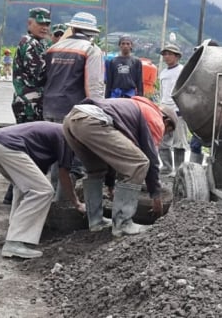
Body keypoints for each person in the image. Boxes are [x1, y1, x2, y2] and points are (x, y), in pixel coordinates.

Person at [62, 97, 170, 237]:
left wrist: (110, 184)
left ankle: (95, 221)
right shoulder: (156, 119)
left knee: (96, 170)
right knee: (139, 163)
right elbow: (151, 159)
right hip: (92, 121)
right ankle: (123, 224)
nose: (164, 134)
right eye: (168, 130)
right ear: (166, 121)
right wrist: (156, 195)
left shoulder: (132, 109)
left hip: (72, 120)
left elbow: (114, 156)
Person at [0, 121, 85, 259]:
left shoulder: (53, 135)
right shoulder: (68, 137)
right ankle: (15, 243)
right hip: (8, 145)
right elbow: (64, 174)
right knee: (43, 191)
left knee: (24, 187)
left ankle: (15, 231)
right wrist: (77, 203)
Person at [43, 11, 105, 198]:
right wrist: (98, 112)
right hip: (73, 111)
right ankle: (63, 203)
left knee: (55, 156)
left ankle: (54, 200)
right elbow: (94, 85)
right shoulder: (91, 50)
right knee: (71, 161)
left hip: (49, 107)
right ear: (91, 32)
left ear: (73, 27)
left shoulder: (54, 48)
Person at [4, 7, 51, 205]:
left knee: (28, 150)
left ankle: (14, 194)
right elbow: (39, 74)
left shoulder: (39, 43)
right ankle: (17, 194)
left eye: (47, 24)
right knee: (29, 151)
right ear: (29, 23)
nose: (44, 27)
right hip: (29, 104)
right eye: (40, 23)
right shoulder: (30, 44)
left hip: (31, 102)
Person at [158, 43, 189, 177]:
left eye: (169, 54)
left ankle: (179, 170)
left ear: (177, 56)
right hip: (165, 110)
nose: (166, 57)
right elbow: (162, 91)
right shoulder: (163, 73)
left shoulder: (182, 71)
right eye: (165, 54)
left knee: (179, 143)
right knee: (162, 141)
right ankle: (166, 167)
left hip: (178, 110)